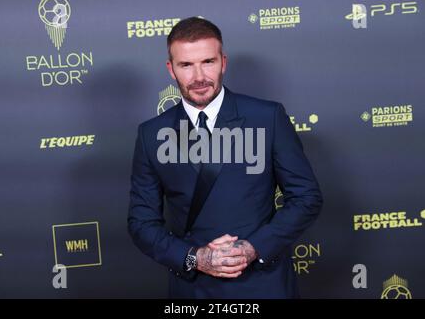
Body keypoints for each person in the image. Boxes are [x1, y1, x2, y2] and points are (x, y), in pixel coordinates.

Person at [128, 17, 323, 298]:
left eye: (208, 61)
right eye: (186, 65)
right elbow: (141, 223)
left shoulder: (266, 117)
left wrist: (252, 248)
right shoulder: (152, 134)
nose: (198, 77)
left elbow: (306, 197)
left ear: (223, 62)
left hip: (263, 284)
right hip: (194, 288)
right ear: (171, 69)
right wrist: (196, 258)